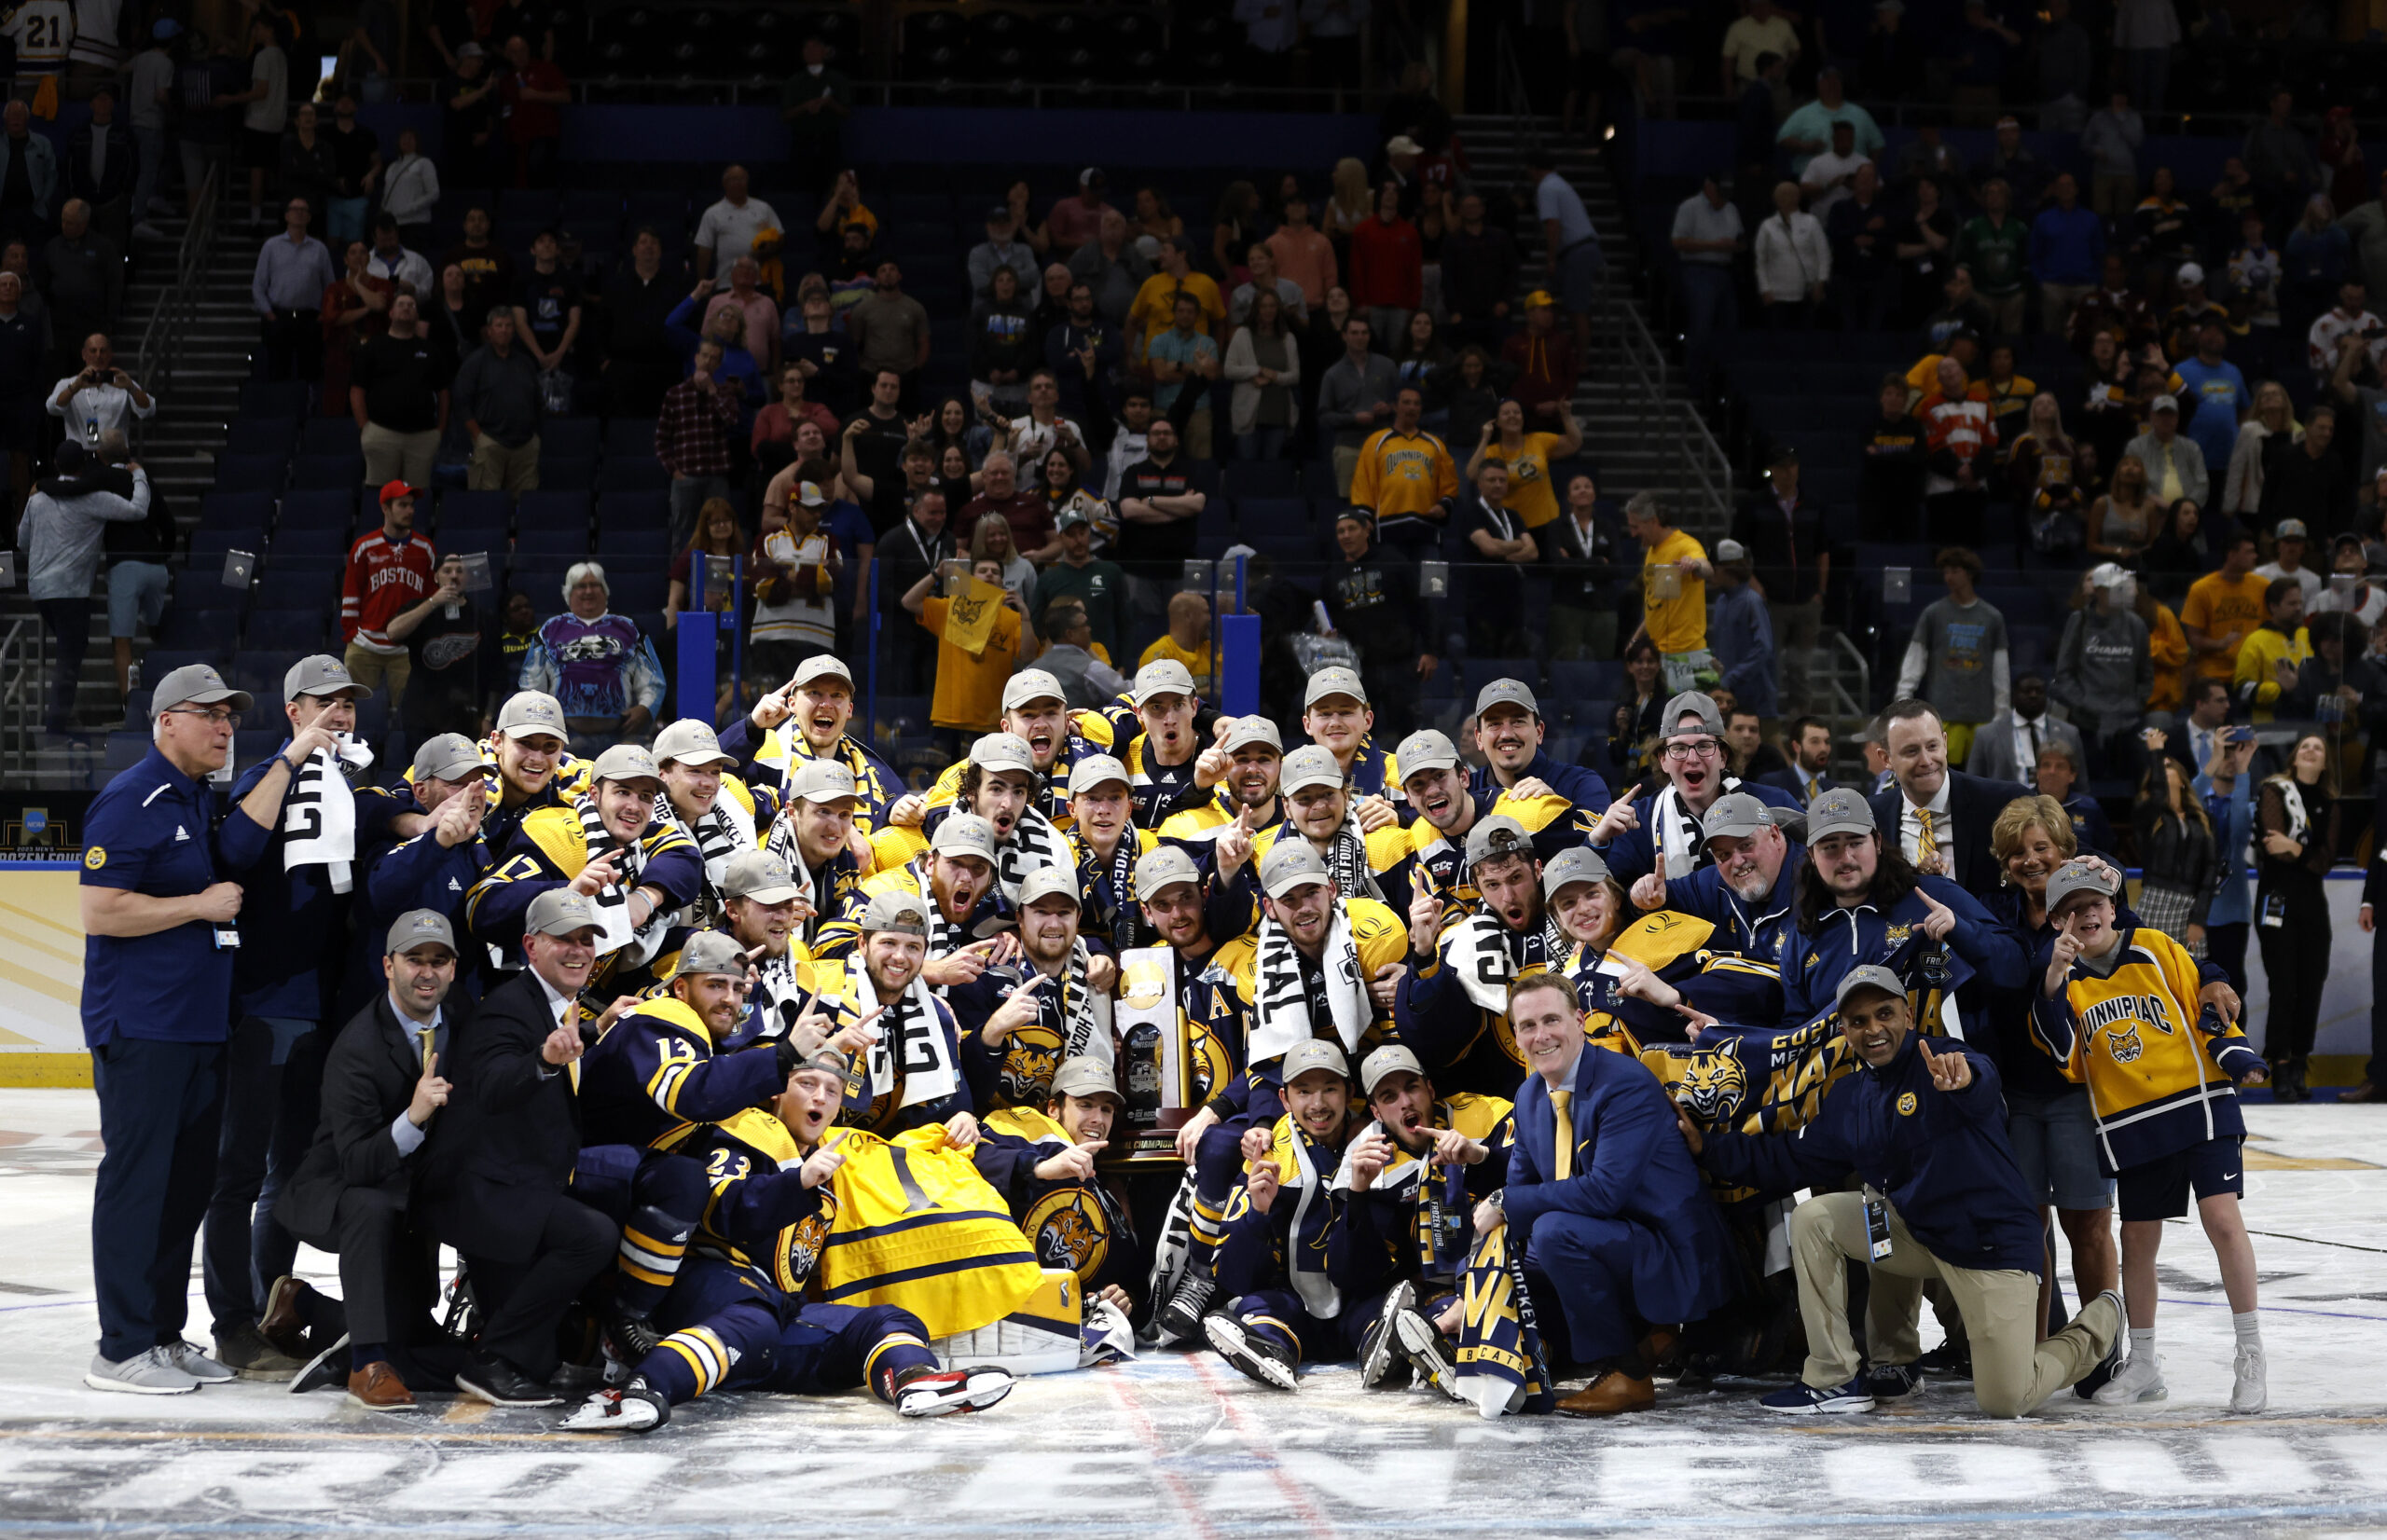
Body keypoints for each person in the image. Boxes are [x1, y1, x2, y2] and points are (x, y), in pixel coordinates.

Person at [1688, 962, 2122, 1418]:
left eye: (1884, 1014)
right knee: (1820, 1217)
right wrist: (1705, 1147)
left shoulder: (1944, 1058)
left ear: (1908, 1016)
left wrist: (1963, 1080)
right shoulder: (1849, 1097)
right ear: (1845, 1030)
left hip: (1989, 1247)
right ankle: (1839, 1376)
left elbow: (1981, 1079)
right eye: (1859, 1022)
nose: (1873, 1029)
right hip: (1918, 1237)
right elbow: (1787, 1161)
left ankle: (2104, 1320)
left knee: (2006, 1398)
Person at [75, 667, 264, 1393]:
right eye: (208, 715)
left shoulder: (195, 797)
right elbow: (102, 911)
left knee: (185, 1187)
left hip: (197, 1026)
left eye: (230, 717)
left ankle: (161, 1333)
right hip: (142, 1025)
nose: (224, 728)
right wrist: (196, 905)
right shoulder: (131, 799)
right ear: (165, 723)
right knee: (137, 1184)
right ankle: (120, 1347)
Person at [2032, 860, 2268, 1411]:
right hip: (2134, 1125)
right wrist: (2050, 980)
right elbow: (2062, 1057)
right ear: (2057, 923)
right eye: (2072, 909)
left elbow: (2204, 1007)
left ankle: (2250, 1353)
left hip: (2200, 1107)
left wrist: (2236, 1054)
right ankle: (2142, 1363)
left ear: (2114, 907)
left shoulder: (2158, 948)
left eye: (2094, 904)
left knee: (2221, 1219)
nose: (2086, 915)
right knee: (2137, 1242)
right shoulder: (2061, 983)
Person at [1482, 971, 1736, 1414]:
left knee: (1553, 1233)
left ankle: (1629, 1375)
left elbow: (1603, 1193)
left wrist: (1504, 1203)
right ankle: (1622, 1342)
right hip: (1617, 1239)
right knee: (1509, 1244)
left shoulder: (1623, 1083)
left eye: (1551, 1020)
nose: (1540, 1036)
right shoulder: (1528, 1096)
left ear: (1579, 1020)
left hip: (1672, 1253)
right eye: (1527, 1026)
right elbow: (1523, 1188)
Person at [415, 888, 614, 1405]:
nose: (579, 952)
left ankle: (340, 1333)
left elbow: (555, 1039)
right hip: (483, 1194)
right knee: (592, 1235)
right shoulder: (504, 1009)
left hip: (513, 1184)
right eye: (564, 941)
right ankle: (491, 1360)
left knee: (541, 1361)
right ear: (530, 945)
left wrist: (594, 1028)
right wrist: (544, 1062)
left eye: (587, 941)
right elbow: (493, 1084)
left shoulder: (555, 1006)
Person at [277, 910, 476, 1410]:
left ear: (454, 968)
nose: (426, 972)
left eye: (439, 960)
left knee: (410, 1333)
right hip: (340, 1186)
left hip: (408, 1187)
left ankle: (303, 1304)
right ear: (388, 966)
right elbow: (360, 1163)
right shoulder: (358, 1048)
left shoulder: (464, 1016)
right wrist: (414, 1114)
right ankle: (366, 1361)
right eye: (414, 960)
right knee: (369, 1201)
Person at [21, 440, 148, 735]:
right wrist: (139, 475)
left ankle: (62, 715)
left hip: (40, 588)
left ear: (55, 464)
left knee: (73, 648)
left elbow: (22, 542)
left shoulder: (37, 499)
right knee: (69, 654)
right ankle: (55, 725)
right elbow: (138, 510)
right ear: (85, 466)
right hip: (71, 590)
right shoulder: (95, 498)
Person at [1870, 698, 2032, 900]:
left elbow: (2061, 850)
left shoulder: (2005, 803)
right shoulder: (1871, 817)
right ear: (1886, 759)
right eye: (1911, 751)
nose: (1927, 761)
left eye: (1932, 746)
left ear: (1945, 744)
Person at [2253, 732, 2336, 1100]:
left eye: (2317, 747)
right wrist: (2302, 852)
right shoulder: (2276, 790)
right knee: (2283, 984)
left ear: (2324, 761)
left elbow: (2325, 861)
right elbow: (2275, 847)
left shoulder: (2332, 803)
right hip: (2277, 898)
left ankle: (2301, 1060)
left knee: (2311, 983)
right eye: (2305, 746)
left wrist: (2297, 848)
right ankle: (2280, 1064)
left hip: (2312, 904)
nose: (2311, 750)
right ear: (2295, 756)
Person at [518, 563, 667, 753]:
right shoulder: (550, 629)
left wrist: (645, 709)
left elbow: (653, 680)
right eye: (581, 586)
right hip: (564, 736)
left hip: (620, 736)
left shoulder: (629, 628)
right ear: (569, 593)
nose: (588, 591)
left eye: (595, 585)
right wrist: (544, 721)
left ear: (605, 591)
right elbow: (530, 681)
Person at [1893, 547, 2008, 764]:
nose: (1948, 577)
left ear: (1969, 573)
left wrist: (2002, 711)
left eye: (1955, 571)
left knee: (1979, 775)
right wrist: (1903, 698)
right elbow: (1915, 658)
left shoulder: (1992, 617)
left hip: (1981, 714)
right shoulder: (1934, 613)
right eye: (1945, 572)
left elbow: (2001, 668)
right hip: (1944, 712)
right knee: (1944, 773)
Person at [338, 480, 436, 707]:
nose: (409, 511)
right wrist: (351, 632)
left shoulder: (425, 549)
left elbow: (430, 598)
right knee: (357, 712)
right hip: (365, 645)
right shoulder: (364, 547)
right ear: (385, 508)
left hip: (406, 648)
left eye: (412, 505)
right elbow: (351, 594)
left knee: (409, 713)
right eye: (402, 505)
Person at [2053, 563, 2154, 775]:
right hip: (2086, 723)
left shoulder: (2136, 625)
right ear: (2098, 591)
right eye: (2113, 589)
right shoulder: (2079, 621)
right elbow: (2064, 672)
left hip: (2127, 722)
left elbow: (2145, 673)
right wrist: (2083, 702)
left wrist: (2134, 703)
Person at [349, 294, 448, 490]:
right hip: (381, 433)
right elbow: (357, 389)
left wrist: (440, 430)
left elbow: (443, 392)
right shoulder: (373, 347)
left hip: (422, 436)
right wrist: (364, 426)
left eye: (411, 305)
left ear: (417, 315)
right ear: (391, 313)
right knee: (379, 495)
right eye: (401, 304)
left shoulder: (430, 350)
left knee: (416, 498)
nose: (406, 308)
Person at [251, 197, 335, 382]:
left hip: (310, 318)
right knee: (278, 372)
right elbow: (258, 285)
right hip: (279, 317)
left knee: (310, 372)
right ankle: (280, 409)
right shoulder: (271, 246)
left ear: (309, 217)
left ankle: (307, 409)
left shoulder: (319, 249)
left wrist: (323, 314)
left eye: (304, 210)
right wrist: (269, 314)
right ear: (286, 215)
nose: (299, 212)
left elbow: (330, 286)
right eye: (295, 209)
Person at [1966, 672, 2085, 789]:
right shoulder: (1986, 734)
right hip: (2003, 805)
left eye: (2039, 692)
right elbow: (1972, 783)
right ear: (2014, 696)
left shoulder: (2069, 733)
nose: (2033, 695)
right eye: (2026, 691)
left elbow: (2081, 785)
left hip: (2055, 805)